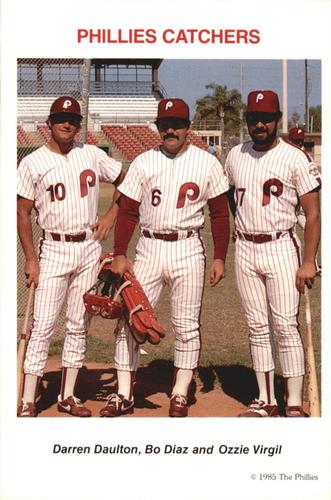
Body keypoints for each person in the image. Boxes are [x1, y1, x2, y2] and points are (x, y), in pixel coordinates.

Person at [99, 98, 230, 418]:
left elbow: (219, 214)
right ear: (157, 128)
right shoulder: (144, 161)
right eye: (164, 124)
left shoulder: (207, 162)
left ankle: (180, 392)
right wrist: (119, 255)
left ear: (188, 127)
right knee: (131, 320)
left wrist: (220, 258)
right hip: (149, 247)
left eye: (177, 124)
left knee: (186, 325)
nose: (170, 129)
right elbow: (128, 211)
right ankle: (124, 394)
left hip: (188, 247)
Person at [17, 96, 125, 417]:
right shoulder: (32, 163)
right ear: (49, 124)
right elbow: (22, 213)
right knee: (43, 325)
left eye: (74, 119)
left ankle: (67, 395)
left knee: (79, 323)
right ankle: (27, 398)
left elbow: (127, 182)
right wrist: (30, 258)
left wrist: (110, 216)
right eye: (61, 118)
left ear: (79, 125)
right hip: (52, 247)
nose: (68, 123)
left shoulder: (91, 154)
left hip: (89, 247)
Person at [225, 90, 321, 417]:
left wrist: (309, 261)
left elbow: (313, 213)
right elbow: (228, 195)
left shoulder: (295, 157)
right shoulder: (235, 154)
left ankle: (293, 401)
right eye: (254, 118)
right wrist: (238, 220)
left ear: (278, 120)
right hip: (246, 250)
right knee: (256, 326)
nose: (260, 123)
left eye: (266, 117)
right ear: (247, 120)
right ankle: (266, 399)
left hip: (281, 245)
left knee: (284, 325)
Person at [288, 127, 321, 275]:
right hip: (290, 208)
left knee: (313, 233)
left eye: (301, 141)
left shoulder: (305, 158)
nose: (298, 143)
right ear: (290, 140)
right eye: (296, 141)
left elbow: (316, 183)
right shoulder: (285, 155)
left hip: (302, 209)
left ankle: (313, 264)